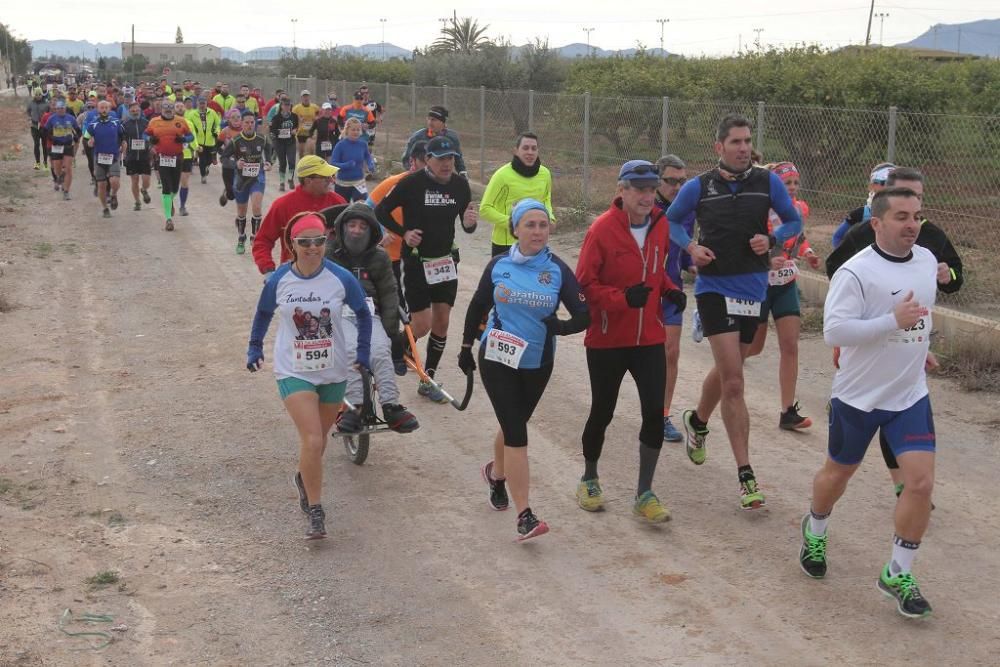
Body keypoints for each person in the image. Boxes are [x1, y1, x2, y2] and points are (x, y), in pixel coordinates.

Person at [800, 187, 937, 619]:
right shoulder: (856, 272)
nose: (912, 224)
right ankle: (815, 528)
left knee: (919, 484)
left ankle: (898, 572)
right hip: (858, 396)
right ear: (877, 223)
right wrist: (891, 322)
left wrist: (919, 346)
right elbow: (835, 333)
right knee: (836, 476)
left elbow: (919, 316)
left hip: (909, 394)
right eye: (901, 216)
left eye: (916, 216)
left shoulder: (929, 262)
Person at [666, 113, 802, 510]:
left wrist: (773, 237)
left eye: (747, 141)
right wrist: (690, 248)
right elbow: (672, 224)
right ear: (719, 147)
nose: (744, 148)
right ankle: (746, 475)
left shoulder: (768, 182)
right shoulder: (699, 186)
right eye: (736, 142)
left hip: (753, 286)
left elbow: (794, 220)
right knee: (736, 383)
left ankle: (698, 420)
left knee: (733, 371)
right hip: (714, 287)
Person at [825, 167, 963, 502]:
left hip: (908, 369)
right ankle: (818, 522)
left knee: (914, 468)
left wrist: (947, 276)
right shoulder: (863, 239)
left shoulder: (931, 243)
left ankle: (903, 485)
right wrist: (880, 318)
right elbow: (837, 275)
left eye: (918, 206)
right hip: (861, 364)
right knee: (840, 469)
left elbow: (953, 281)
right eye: (903, 206)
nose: (912, 220)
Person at [460, 199, 590, 540]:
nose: (537, 231)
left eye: (543, 225)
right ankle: (525, 515)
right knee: (517, 432)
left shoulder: (558, 270)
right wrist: (463, 349)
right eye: (529, 225)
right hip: (496, 356)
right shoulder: (499, 266)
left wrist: (558, 327)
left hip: (536, 361)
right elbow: (477, 306)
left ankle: (496, 475)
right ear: (515, 229)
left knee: (513, 422)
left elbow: (584, 315)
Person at [246, 212, 373, 540]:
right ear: (293, 245)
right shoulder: (279, 280)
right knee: (313, 439)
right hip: (294, 369)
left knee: (316, 446)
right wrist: (255, 347)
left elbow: (362, 312)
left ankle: (304, 477)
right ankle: (316, 511)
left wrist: (361, 352)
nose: (313, 248)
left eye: (319, 241)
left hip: (333, 369)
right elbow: (263, 313)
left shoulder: (341, 278)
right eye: (305, 242)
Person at [574, 159, 686, 522]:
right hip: (608, 338)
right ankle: (589, 478)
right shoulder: (601, 230)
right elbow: (585, 285)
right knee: (602, 411)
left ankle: (645, 492)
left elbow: (656, 272)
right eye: (638, 189)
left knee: (654, 412)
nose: (646, 196)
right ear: (621, 191)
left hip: (649, 337)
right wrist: (623, 299)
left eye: (651, 189)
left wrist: (670, 291)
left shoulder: (660, 224)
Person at [374, 135, 477, 402]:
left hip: (445, 262)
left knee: (442, 322)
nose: (446, 164)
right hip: (417, 261)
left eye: (451, 158)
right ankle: (396, 349)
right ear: (428, 159)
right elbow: (381, 211)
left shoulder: (460, 185)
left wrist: (469, 222)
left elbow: (467, 225)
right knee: (422, 323)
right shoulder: (411, 183)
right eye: (441, 158)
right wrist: (403, 232)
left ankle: (427, 378)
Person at [324, 203, 420, 434]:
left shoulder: (379, 257)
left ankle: (391, 406)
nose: (356, 230)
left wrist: (390, 330)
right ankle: (353, 408)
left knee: (379, 350)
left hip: (369, 314)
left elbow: (389, 293)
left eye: (362, 226)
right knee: (349, 351)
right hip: (339, 316)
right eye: (352, 225)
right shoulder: (328, 253)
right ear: (342, 227)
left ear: (371, 231)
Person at [743, 161, 821, 430]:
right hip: (759, 286)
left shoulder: (798, 209)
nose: (792, 188)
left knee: (790, 345)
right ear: (775, 186)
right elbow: (743, 248)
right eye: (787, 183)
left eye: (795, 183)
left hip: (786, 284)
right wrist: (766, 261)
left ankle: (788, 411)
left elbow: (799, 239)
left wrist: (808, 253)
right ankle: (727, 373)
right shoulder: (758, 210)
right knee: (753, 347)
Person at [366, 141, 427, 374]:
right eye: (425, 164)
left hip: (421, 257)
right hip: (392, 257)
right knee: (398, 306)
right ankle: (396, 351)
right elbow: (366, 208)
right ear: (413, 162)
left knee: (421, 310)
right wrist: (380, 234)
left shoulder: (435, 188)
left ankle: (402, 346)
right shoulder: (394, 184)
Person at [653, 154, 696, 443]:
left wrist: (696, 265)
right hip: (643, 292)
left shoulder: (687, 211)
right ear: (657, 181)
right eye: (670, 181)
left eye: (682, 181)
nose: (677, 187)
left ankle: (662, 416)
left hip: (672, 292)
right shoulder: (644, 207)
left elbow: (680, 254)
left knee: (670, 352)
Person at [253, 156, 347, 275]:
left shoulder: (338, 202)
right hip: (294, 276)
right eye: (325, 177)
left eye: (331, 176)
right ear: (308, 180)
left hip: (331, 275)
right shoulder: (283, 205)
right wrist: (268, 270)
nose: (331, 180)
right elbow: (263, 240)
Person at [479, 132, 554, 257]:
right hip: (506, 244)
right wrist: (513, 223)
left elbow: (546, 199)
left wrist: (550, 218)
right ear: (515, 151)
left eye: (533, 148)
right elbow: (485, 209)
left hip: (535, 241)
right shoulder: (501, 176)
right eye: (525, 148)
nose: (530, 152)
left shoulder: (545, 174)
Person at [220, 109, 269, 254]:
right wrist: (236, 164)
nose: (249, 125)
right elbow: (223, 158)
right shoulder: (236, 141)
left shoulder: (262, 139)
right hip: (241, 178)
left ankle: (255, 236)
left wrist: (269, 163)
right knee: (241, 212)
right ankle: (241, 237)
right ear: (241, 123)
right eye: (246, 122)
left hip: (257, 177)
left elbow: (270, 151)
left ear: (255, 124)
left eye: (252, 122)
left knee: (257, 207)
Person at [145, 99, 193, 231]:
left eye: (170, 108)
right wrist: (150, 139)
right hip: (162, 158)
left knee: (175, 188)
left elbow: (191, 137)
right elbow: (145, 134)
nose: (168, 110)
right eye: (165, 108)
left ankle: (170, 201)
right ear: (161, 109)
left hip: (177, 158)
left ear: (173, 109)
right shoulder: (154, 121)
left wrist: (183, 139)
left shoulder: (181, 121)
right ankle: (168, 219)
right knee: (166, 187)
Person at [831, 162, 895, 248]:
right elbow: (837, 237)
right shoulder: (861, 214)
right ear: (873, 185)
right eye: (886, 183)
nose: (891, 187)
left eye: (894, 184)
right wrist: (845, 258)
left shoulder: (906, 214)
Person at [85, 100, 125, 218]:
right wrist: (90, 143)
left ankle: (113, 195)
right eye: (101, 108)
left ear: (109, 109)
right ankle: (105, 208)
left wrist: (123, 144)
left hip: (113, 156)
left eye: (106, 108)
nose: (103, 110)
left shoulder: (116, 122)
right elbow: (87, 139)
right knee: (101, 185)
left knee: (115, 181)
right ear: (98, 109)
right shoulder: (93, 124)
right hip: (99, 157)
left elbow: (123, 136)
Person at [401, 106, 466, 177]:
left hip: (443, 177)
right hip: (422, 176)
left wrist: (462, 172)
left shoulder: (452, 137)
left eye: (434, 120)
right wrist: (413, 172)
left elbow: (458, 158)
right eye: (428, 119)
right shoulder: (417, 137)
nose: (430, 122)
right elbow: (406, 159)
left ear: (442, 122)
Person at [329, 118, 375, 202]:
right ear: (347, 130)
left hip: (359, 182)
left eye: (358, 130)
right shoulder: (340, 145)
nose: (356, 132)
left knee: (361, 206)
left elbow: (367, 156)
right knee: (341, 209)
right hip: (343, 183)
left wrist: (370, 164)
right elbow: (333, 163)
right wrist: (346, 165)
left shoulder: (363, 144)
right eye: (353, 130)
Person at [44, 100, 80, 201]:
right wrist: (51, 137)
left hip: (68, 145)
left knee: (68, 168)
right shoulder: (52, 118)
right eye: (58, 108)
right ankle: (60, 176)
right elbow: (45, 130)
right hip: (56, 146)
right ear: (56, 109)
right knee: (57, 168)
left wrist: (77, 136)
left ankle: (66, 191)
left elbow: (77, 129)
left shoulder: (71, 118)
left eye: (62, 108)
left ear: (65, 108)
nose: (60, 110)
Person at [121, 101, 152, 211]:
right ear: (129, 112)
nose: (135, 112)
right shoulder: (125, 124)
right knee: (134, 180)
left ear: (140, 111)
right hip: (132, 156)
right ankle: (137, 202)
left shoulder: (146, 123)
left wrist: (151, 149)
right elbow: (123, 141)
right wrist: (124, 156)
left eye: (137, 110)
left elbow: (151, 137)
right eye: (132, 111)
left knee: (146, 180)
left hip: (144, 156)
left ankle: (144, 189)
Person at [186, 97, 221, 184]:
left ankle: (207, 167)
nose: (202, 105)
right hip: (199, 141)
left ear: (206, 104)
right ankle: (203, 176)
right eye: (200, 103)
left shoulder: (212, 112)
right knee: (202, 160)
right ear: (197, 104)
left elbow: (218, 123)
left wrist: (217, 131)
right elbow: (189, 127)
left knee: (209, 160)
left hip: (210, 140)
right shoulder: (192, 114)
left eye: (203, 103)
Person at [175, 100, 199, 217]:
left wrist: (196, 147)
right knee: (173, 183)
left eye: (181, 106)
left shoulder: (189, 122)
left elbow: (193, 137)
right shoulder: (169, 122)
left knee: (184, 182)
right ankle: (170, 203)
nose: (180, 108)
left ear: (184, 108)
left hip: (187, 155)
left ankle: (182, 206)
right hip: (173, 155)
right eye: (177, 106)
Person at [268, 98, 299, 192]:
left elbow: (296, 127)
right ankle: (282, 183)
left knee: (292, 161)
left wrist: (295, 130)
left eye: (288, 105)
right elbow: (273, 131)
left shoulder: (294, 116)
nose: (287, 107)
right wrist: (288, 131)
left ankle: (290, 179)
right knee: (282, 163)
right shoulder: (276, 118)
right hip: (279, 143)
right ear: (281, 106)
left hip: (291, 142)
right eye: (285, 105)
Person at [216, 109, 242, 208]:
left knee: (239, 190)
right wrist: (221, 153)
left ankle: (241, 213)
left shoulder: (245, 130)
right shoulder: (225, 131)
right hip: (227, 164)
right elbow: (217, 146)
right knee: (231, 194)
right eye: (233, 117)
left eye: (238, 117)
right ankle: (227, 192)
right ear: (229, 120)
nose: (236, 119)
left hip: (241, 164)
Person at [292, 90, 320, 163]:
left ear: (309, 97)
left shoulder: (315, 107)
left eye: (307, 96)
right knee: (301, 152)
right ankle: (302, 166)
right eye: (304, 96)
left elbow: (319, 118)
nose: (306, 98)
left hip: (311, 133)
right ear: (301, 98)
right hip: (301, 133)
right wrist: (299, 120)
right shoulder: (296, 108)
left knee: (312, 152)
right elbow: (292, 120)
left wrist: (316, 119)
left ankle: (312, 167)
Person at [26, 88, 50, 170]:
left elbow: (50, 113)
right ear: (34, 95)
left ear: (42, 95)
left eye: (39, 94)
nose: (38, 96)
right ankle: (37, 163)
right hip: (34, 126)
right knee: (36, 144)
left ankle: (45, 162)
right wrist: (29, 118)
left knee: (44, 145)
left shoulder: (46, 103)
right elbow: (28, 111)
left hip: (44, 126)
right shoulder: (31, 103)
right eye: (36, 94)